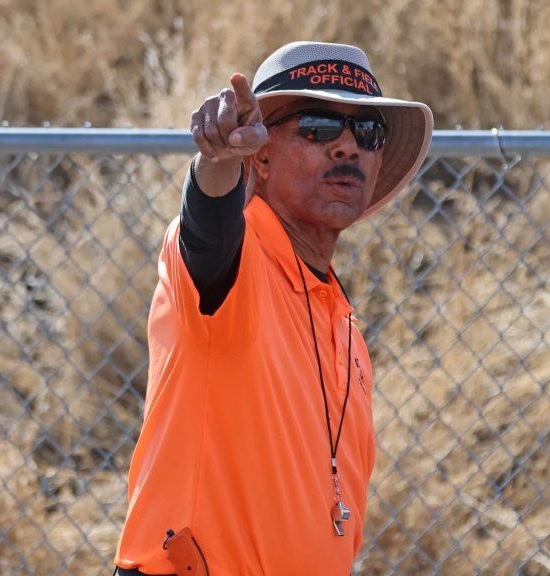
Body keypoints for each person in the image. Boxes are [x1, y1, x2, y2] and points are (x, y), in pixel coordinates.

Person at [112, 41, 433, 575]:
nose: (347, 147)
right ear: (259, 156)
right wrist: (218, 161)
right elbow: (209, 228)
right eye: (318, 127)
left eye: (367, 132)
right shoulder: (238, 263)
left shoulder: (342, 324)